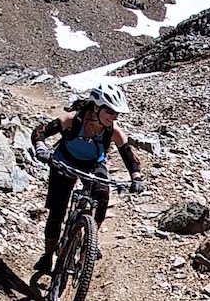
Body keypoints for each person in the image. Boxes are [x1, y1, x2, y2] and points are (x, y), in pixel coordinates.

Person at [31, 82, 146, 273]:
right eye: (110, 111)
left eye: (116, 113)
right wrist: (41, 149)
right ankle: (48, 256)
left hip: (93, 164)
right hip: (64, 159)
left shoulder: (113, 130)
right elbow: (40, 132)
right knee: (57, 212)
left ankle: (89, 243)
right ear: (96, 106)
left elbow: (129, 155)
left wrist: (136, 177)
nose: (114, 117)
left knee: (102, 197)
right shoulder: (73, 119)